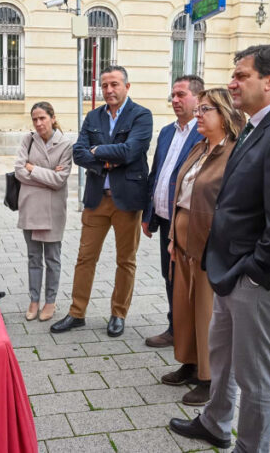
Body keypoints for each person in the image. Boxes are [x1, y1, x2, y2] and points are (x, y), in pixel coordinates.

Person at [169, 44, 270, 451]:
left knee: (254, 375)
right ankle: (215, 423)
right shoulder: (257, 124)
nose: (232, 83)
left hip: (258, 276)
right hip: (232, 267)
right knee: (222, 355)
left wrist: (254, 273)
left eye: (241, 76)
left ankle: (250, 447)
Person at [51, 65, 153, 338]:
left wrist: (97, 152)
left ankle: (118, 313)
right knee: (85, 258)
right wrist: (106, 159)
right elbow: (78, 153)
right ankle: (77, 313)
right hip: (97, 199)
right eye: (104, 85)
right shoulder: (92, 116)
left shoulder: (141, 115)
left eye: (115, 84)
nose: (109, 90)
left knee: (126, 260)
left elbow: (132, 150)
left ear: (127, 87)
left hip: (127, 200)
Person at [161, 88, 244, 406]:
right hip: (182, 240)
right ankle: (190, 363)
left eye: (205, 109)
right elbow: (180, 195)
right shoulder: (199, 147)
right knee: (183, 307)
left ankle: (210, 379)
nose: (198, 113)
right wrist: (171, 237)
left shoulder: (233, 152)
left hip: (209, 245)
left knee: (206, 312)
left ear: (223, 114)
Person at [141, 75, 205, 348]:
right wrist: (149, 215)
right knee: (169, 276)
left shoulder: (204, 132)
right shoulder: (167, 131)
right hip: (165, 218)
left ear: (198, 98)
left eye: (181, 94)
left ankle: (191, 333)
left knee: (187, 280)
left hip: (189, 221)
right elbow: (157, 174)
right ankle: (174, 327)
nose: (175, 100)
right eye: (173, 95)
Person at [14, 102, 73, 322]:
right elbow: (19, 171)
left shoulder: (65, 145)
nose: (39, 123)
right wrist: (45, 174)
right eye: (35, 119)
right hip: (29, 206)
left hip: (53, 209)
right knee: (33, 257)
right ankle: (34, 300)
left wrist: (33, 169)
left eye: (43, 118)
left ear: (52, 118)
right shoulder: (28, 140)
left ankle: (50, 301)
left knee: (52, 258)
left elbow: (59, 180)